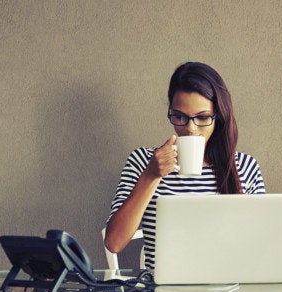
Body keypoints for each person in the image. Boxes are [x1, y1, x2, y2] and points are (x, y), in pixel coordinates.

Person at [104, 62, 266, 269]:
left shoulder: (245, 167)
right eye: (179, 117)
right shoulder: (143, 161)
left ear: (219, 116)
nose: (190, 128)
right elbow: (114, 243)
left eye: (203, 117)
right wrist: (151, 176)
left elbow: (260, 249)